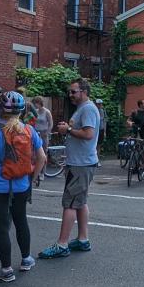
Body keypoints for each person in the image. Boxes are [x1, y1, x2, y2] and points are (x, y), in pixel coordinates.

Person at [0, 91, 45, 281]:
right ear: (22, 111)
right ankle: (26, 259)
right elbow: (42, 158)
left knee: (2, 226)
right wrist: (32, 178)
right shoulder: (29, 130)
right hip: (21, 185)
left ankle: (6, 270)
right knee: (21, 220)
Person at [39, 78, 99, 259]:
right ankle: (82, 239)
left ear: (84, 91)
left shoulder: (87, 108)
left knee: (70, 203)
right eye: (70, 91)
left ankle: (62, 244)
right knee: (80, 202)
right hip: (80, 163)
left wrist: (68, 130)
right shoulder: (84, 108)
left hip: (81, 164)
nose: (70, 95)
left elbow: (88, 134)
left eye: (73, 91)